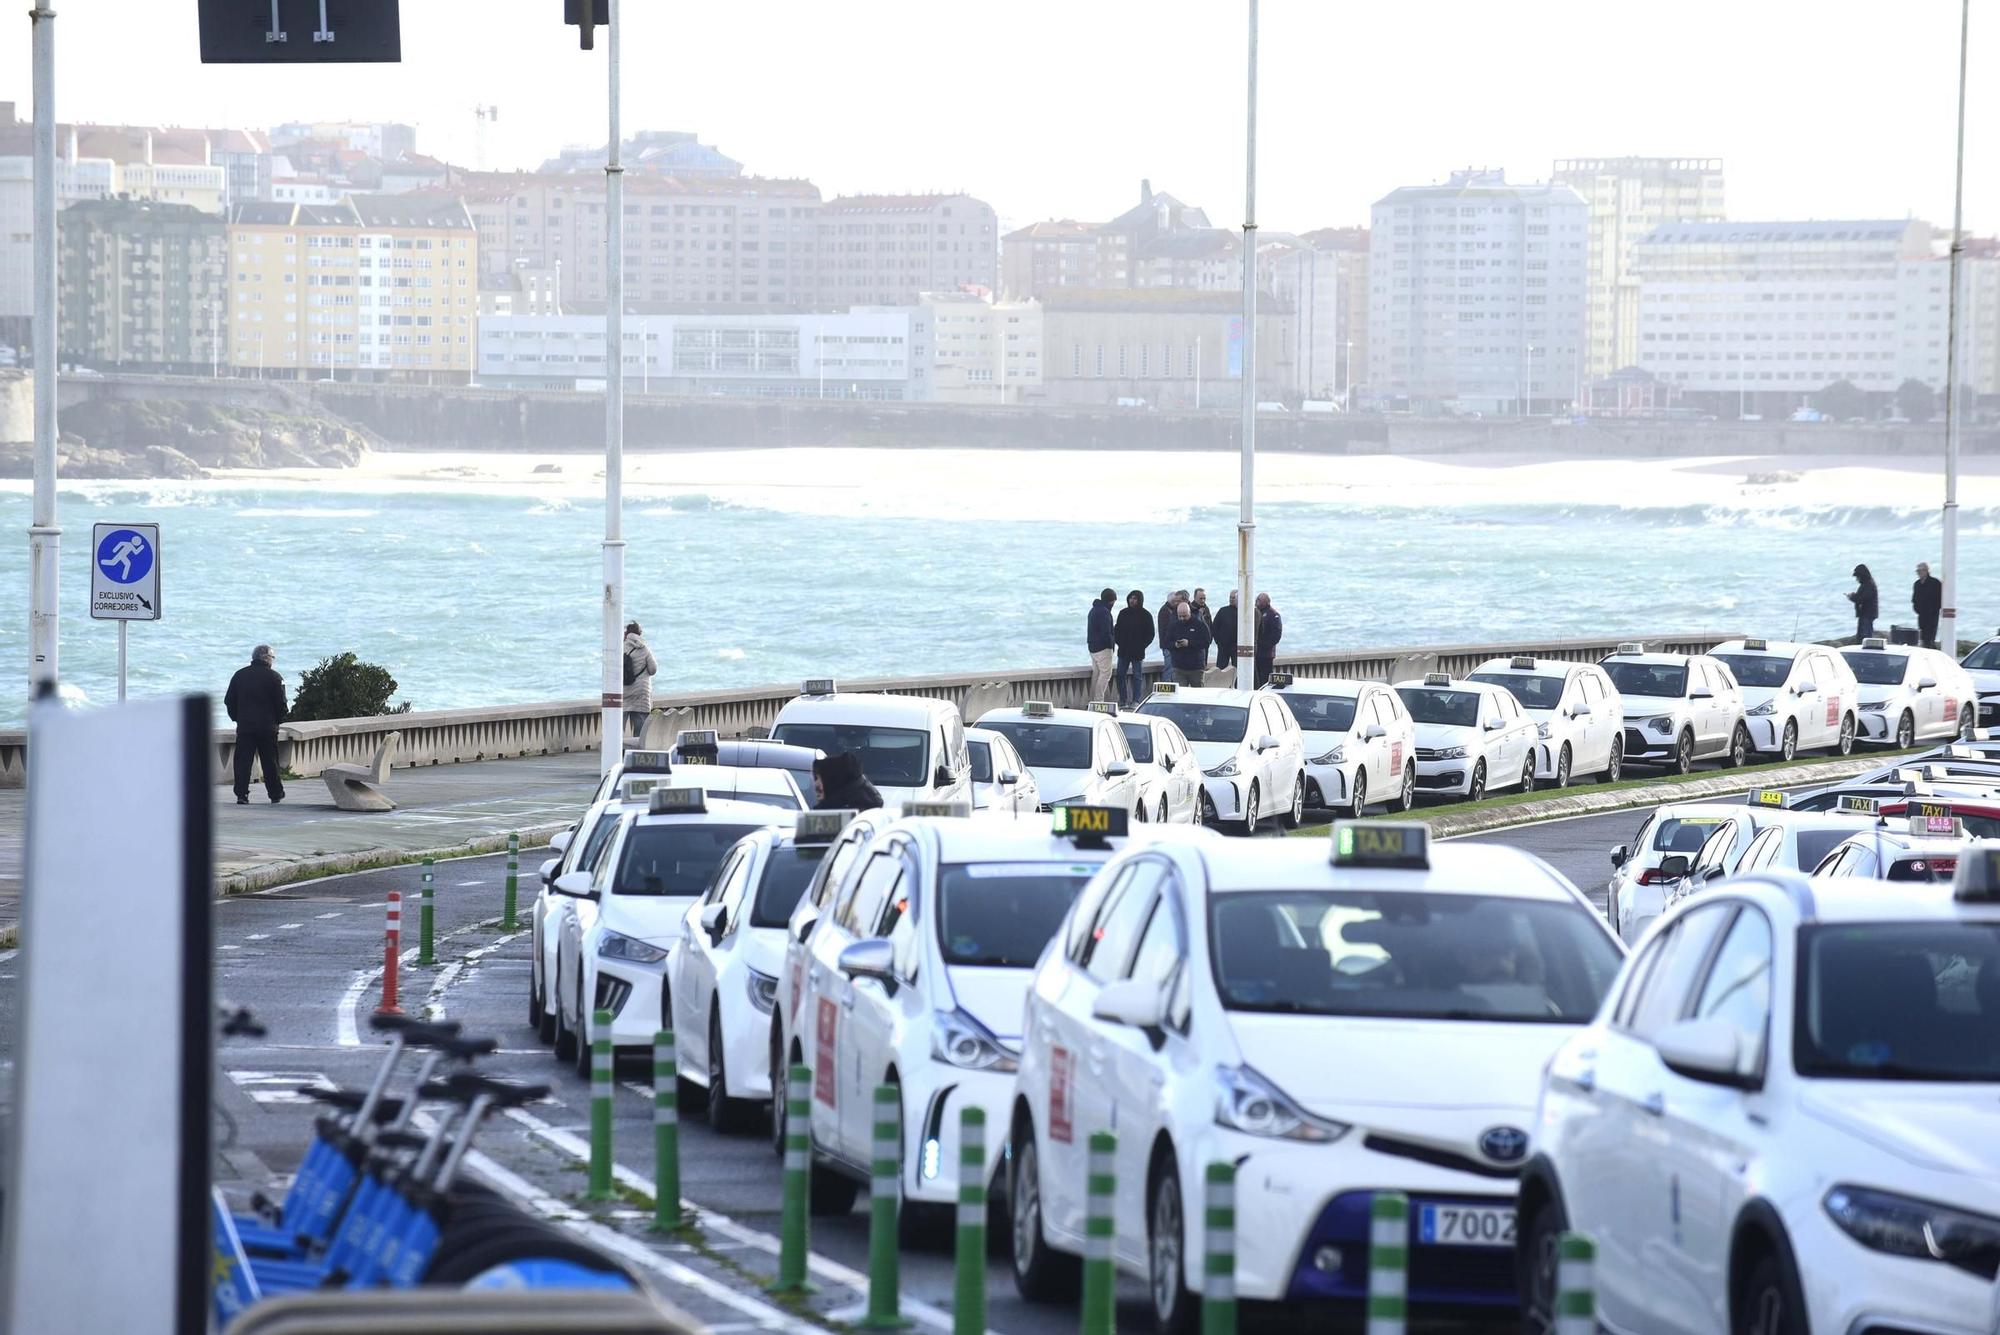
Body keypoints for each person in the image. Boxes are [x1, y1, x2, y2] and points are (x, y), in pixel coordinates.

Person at [224, 644, 288, 806]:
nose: (273, 661)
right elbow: (281, 704)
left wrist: (237, 718)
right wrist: (277, 721)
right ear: (267, 658)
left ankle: (242, 795)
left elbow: (229, 700)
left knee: (243, 762)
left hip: (245, 726)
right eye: (272, 658)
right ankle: (275, 794)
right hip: (268, 727)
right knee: (270, 762)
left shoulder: (239, 675)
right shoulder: (275, 677)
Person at [1114, 589, 1155, 707]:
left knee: (1137, 676)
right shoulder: (1123, 613)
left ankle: (1136, 700)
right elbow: (1117, 630)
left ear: (1139, 600)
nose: (1132, 600)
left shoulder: (1146, 615)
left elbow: (1150, 634)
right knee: (1120, 675)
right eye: (1131, 598)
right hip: (1123, 650)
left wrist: (1142, 645)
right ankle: (1123, 700)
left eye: (1135, 598)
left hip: (1138, 651)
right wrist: (1120, 642)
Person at [622, 621, 658, 741]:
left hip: (624, 690)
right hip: (641, 691)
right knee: (640, 728)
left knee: (617, 724)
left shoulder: (621, 647)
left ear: (626, 633)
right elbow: (653, 669)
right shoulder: (644, 648)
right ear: (639, 633)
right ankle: (638, 748)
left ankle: (615, 747)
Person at [812, 752, 883, 811]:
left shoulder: (845, 816)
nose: (815, 784)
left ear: (833, 781)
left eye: (817, 778)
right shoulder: (864, 808)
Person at [1167, 600, 1212, 686]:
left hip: (1196, 667)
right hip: (1179, 667)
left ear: (1189, 613)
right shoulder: (1173, 625)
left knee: (1197, 692)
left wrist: (1189, 643)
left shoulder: (1199, 624)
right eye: (1180, 616)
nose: (1182, 618)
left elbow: (1206, 642)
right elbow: (1166, 642)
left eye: (1184, 616)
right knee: (1180, 692)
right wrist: (1175, 645)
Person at [1086, 587, 1117, 703]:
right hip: (1103, 648)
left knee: (1097, 673)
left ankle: (1093, 700)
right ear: (1111, 601)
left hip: (1092, 647)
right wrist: (1111, 643)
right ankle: (1098, 700)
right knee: (1106, 674)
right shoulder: (1105, 612)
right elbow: (1106, 632)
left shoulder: (1093, 610)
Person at [1253, 593, 1283, 688]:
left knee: (1265, 677)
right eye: (1256, 599)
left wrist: (1264, 645)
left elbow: (1276, 635)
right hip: (1256, 652)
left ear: (1266, 602)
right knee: (1256, 678)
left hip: (1266, 654)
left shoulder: (1273, 614)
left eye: (1259, 600)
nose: (1256, 602)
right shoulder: (1256, 613)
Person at [1157, 590, 1188, 679]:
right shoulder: (1165, 611)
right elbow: (1167, 630)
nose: (1177, 603)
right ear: (1171, 602)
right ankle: (1166, 685)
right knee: (1169, 669)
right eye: (1175, 601)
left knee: (1172, 669)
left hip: (1171, 645)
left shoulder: (1171, 611)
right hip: (1168, 646)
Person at [1913, 561, 1943, 649]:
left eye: (1920, 571)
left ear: (1926, 571)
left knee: (1930, 636)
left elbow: (1940, 598)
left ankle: (1931, 648)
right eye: (1917, 571)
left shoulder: (1935, 583)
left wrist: (1934, 609)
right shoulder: (1917, 584)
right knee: (1922, 635)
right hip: (1921, 614)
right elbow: (1915, 599)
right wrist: (1917, 609)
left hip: (1932, 614)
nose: (1919, 573)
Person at [1846, 565, 1879, 642]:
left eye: (1858, 577)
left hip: (1867, 614)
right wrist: (1854, 596)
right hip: (1866, 614)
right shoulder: (1867, 584)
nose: (1857, 579)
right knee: (1863, 635)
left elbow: (1862, 599)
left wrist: (1852, 597)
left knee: (1864, 637)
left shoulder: (1868, 585)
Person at [1213, 591, 1239, 677]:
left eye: (1233, 598)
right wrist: (1218, 641)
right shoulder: (1223, 610)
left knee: (1237, 670)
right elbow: (1214, 627)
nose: (1231, 599)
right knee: (1220, 669)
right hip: (1223, 646)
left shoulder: (1242, 612)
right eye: (1230, 597)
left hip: (1236, 647)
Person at [1190, 588, 1216, 669]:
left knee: (1203, 665)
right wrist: (1199, 615)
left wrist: (1210, 638)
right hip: (1194, 643)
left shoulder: (1206, 608)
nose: (1203, 601)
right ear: (1195, 598)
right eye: (1200, 598)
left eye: (1204, 598)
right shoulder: (1190, 609)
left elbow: (1210, 624)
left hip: (1205, 642)